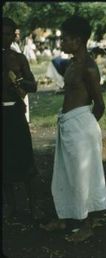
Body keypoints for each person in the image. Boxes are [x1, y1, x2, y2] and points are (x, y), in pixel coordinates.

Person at [40, 15, 106, 242]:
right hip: (69, 125)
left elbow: (99, 105)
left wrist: (85, 126)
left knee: (82, 177)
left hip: (81, 126)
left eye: (65, 39)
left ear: (78, 40)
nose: (61, 43)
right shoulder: (72, 64)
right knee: (64, 176)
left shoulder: (89, 68)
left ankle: (87, 225)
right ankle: (64, 217)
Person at [2, 17, 44, 220]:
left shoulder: (19, 58)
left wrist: (18, 81)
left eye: (8, 33)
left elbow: (33, 85)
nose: (5, 37)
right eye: (2, 33)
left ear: (13, 35)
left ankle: (33, 206)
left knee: (25, 159)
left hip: (16, 113)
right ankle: (11, 206)